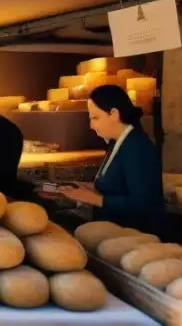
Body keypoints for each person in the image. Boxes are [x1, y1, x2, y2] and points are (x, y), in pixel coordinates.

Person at [58, 85, 165, 234]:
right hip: (112, 230)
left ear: (114, 114)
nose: (91, 125)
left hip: (134, 236)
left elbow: (143, 203)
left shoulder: (138, 147)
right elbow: (117, 186)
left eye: (95, 117)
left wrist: (93, 198)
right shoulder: (117, 142)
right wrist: (85, 187)